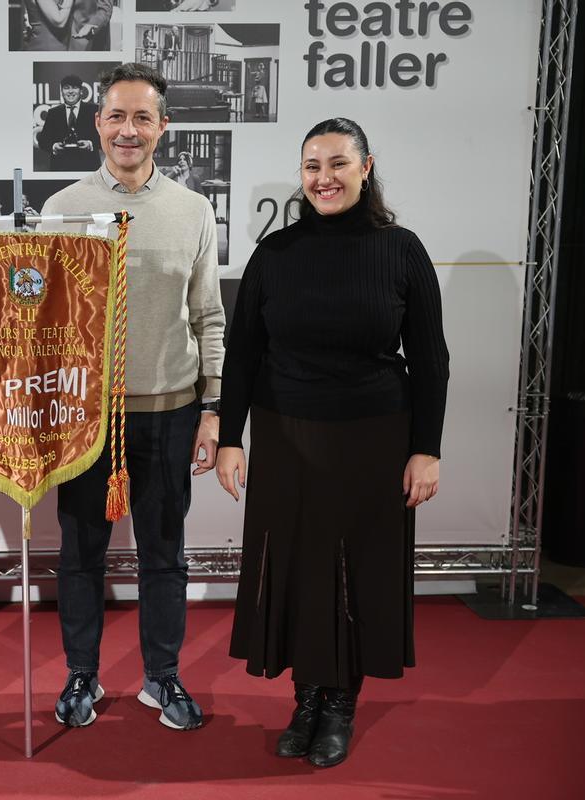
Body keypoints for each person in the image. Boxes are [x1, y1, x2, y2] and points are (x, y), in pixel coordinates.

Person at [216, 117, 450, 768]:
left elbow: (430, 359)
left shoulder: (401, 250)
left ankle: (340, 702)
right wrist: (230, 438)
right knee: (294, 569)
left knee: (355, 574)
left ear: (365, 169)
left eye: (338, 163)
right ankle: (305, 699)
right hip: (286, 435)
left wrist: (426, 449)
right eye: (312, 165)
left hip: (375, 439)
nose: (324, 177)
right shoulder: (275, 253)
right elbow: (241, 356)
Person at [41, 63, 224, 731]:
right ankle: (82, 676)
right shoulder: (59, 211)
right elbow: (40, 323)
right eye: (117, 115)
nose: (129, 129)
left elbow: (209, 316)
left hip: (170, 411)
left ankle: (162, 678)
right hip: (85, 416)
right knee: (81, 553)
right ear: (98, 123)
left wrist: (213, 409)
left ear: (163, 127)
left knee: (164, 553)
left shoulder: (193, 210)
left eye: (143, 117)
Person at [36, 74, 100, 171]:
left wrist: (90, 144)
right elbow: (43, 141)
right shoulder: (53, 112)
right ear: (62, 92)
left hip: (88, 169)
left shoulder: (94, 110)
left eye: (74, 87)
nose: (70, 91)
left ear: (81, 91)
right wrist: (53, 146)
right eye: (66, 88)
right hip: (61, 168)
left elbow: (104, 137)